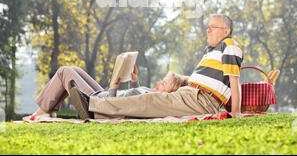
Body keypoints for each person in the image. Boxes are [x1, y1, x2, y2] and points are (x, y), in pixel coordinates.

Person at [69, 14, 243, 120]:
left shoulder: (230, 45)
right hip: (190, 94)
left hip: (201, 100)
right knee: (147, 102)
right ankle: (94, 110)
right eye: (208, 27)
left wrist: (236, 113)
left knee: (148, 100)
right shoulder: (212, 51)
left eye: (213, 27)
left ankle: (92, 104)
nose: (208, 30)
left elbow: (234, 81)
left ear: (226, 31)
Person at [22, 62, 185, 121]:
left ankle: (42, 111)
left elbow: (117, 106)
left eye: (163, 83)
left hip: (100, 103)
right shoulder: (152, 95)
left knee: (65, 71)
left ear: (168, 91)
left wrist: (114, 86)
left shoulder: (154, 99)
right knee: (74, 69)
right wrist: (134, 79)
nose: (158, 82)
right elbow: (135, 98)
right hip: (104, 97)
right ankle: (49, 111)